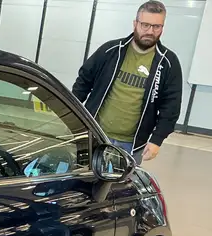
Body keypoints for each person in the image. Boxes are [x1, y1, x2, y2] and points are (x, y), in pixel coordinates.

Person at [72, 1, 182, 164]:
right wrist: (68, 117)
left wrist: (157, 140)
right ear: (135, 24)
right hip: (95, 134)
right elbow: (83, 82)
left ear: (162, 28)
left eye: (156, 26)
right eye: (145, 25)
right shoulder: (111, 51)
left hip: (132, 145)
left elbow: (171, 106)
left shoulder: (168, 63)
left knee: (123, 181)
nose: (150, 31)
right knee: (84, 176)